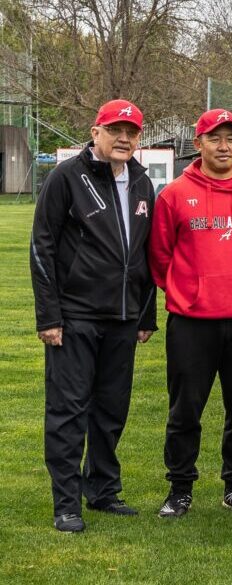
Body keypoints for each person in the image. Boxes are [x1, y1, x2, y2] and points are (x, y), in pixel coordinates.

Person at [30, 99, 157, 532]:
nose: (124, 138)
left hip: (122, 319)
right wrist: (49, 316)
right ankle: (67, 503)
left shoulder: (141, 182)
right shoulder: (66, 177)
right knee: (68, 411)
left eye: (131, 132)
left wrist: (144, 314)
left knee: (111, 410)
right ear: (95, 131)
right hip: (75, 316)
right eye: (115, 130)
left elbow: (146, 255)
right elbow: (42, 247)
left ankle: (102, 490)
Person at [148, 109, 232, 518]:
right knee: (185, 409)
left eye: (231, 138)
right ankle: (180, 488)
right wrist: (191, 291)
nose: (224, 146)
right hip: (191, 322)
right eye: (215, 138)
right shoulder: (174, 195)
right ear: (198, 143)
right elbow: (160, 256)